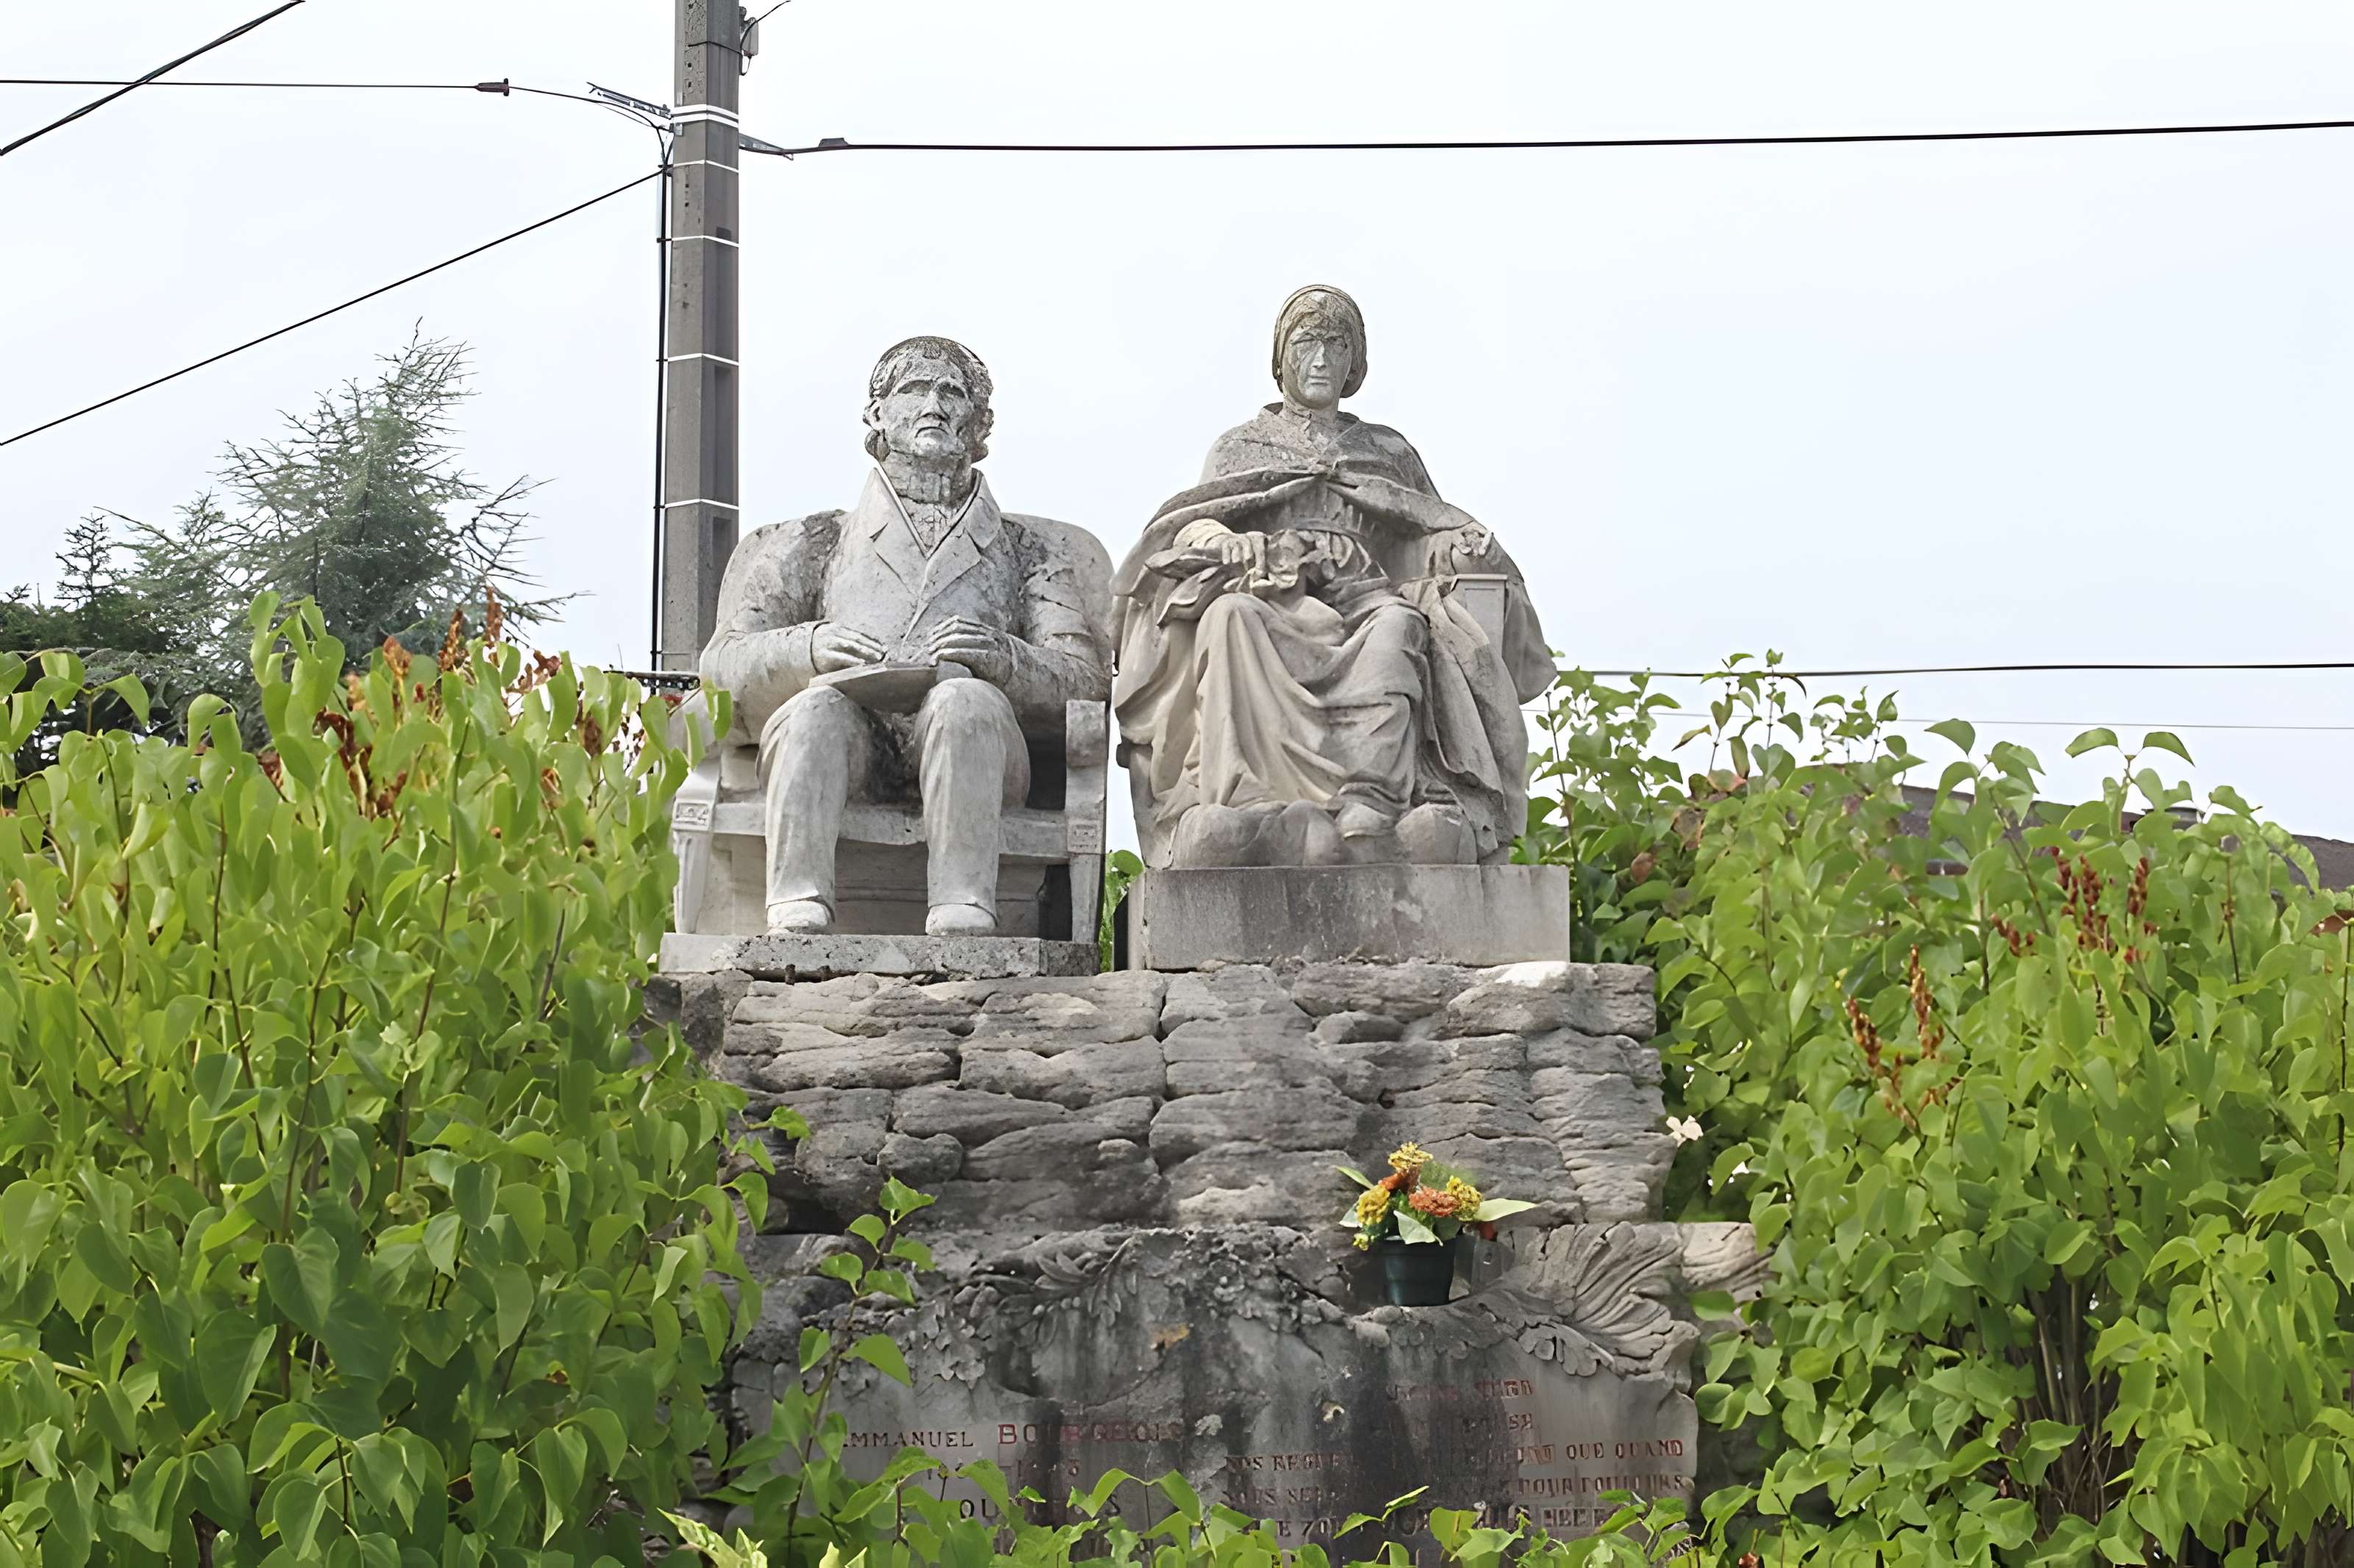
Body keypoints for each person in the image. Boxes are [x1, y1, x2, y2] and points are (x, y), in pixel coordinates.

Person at [1112, 286, 1552, 869]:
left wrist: (1462, 545)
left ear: (1355, 364)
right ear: (1281, 359)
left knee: (1399, 627)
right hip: (1272, 596)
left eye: (1336, 345)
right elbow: (1188, 526)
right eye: (1306, 344)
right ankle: (1251, 800)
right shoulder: (1241, 447)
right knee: (1228, 617)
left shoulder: (1387, 451)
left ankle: (1376, 798)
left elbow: (1425, 533)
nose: (1321, 359)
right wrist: (1229, 542)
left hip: (1366, 598)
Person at [701, 336, 1112, 934]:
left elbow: (1083, 681)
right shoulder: (813, 542)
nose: (935, 406)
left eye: (953, 393)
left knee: (962, 702)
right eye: (914, 389)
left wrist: (1004, 658)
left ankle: (964, 906)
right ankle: (798, 905)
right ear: (876, 413)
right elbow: (721, 669)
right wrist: (810, 647)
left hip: (978, 749)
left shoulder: (1032, 551)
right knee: (817, 710)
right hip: (850, 741)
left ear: (980, 422)